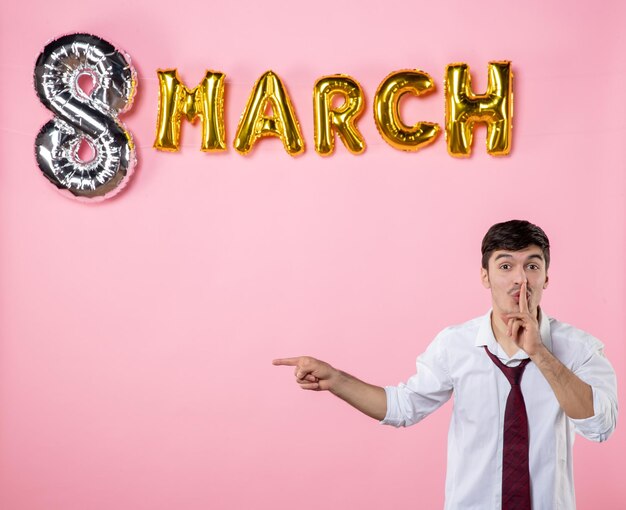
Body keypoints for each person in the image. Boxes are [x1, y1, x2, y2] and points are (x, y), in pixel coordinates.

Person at [273, 220, 617, 510]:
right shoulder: (455, 345)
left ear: (546, 277)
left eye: (532, 265)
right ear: (485, 276)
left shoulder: (580, 348)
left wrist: (540, 352)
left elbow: (599, 426)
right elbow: (403, 407)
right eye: (505, 265)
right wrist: (335, 380)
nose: (519, 279)